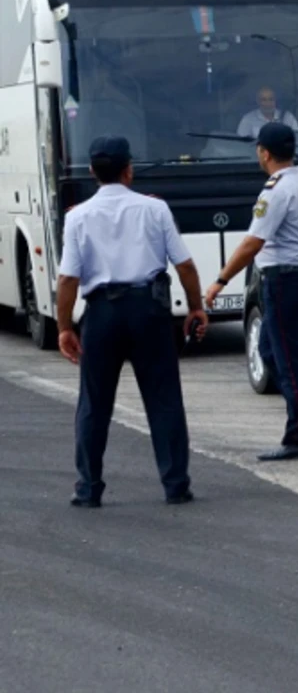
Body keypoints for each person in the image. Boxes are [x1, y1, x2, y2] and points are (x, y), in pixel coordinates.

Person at [56, 135, 208, 507]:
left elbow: (67, 279)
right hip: (149, 311)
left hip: (102, 313)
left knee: (94, 403)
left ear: (92, 171)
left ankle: (89, 489)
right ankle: (175, 484)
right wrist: (195, 307)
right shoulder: (154, 210)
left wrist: (64, 327)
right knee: (164, 398)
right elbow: (185, 265)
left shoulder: (77, 216)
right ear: (129, 170)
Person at [204, 123, 298, 461]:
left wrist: (221, 279)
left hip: (284, 280)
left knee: (288, 358)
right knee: (272, 351)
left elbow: (252, 243)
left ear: (264, 152)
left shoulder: (275, 191)